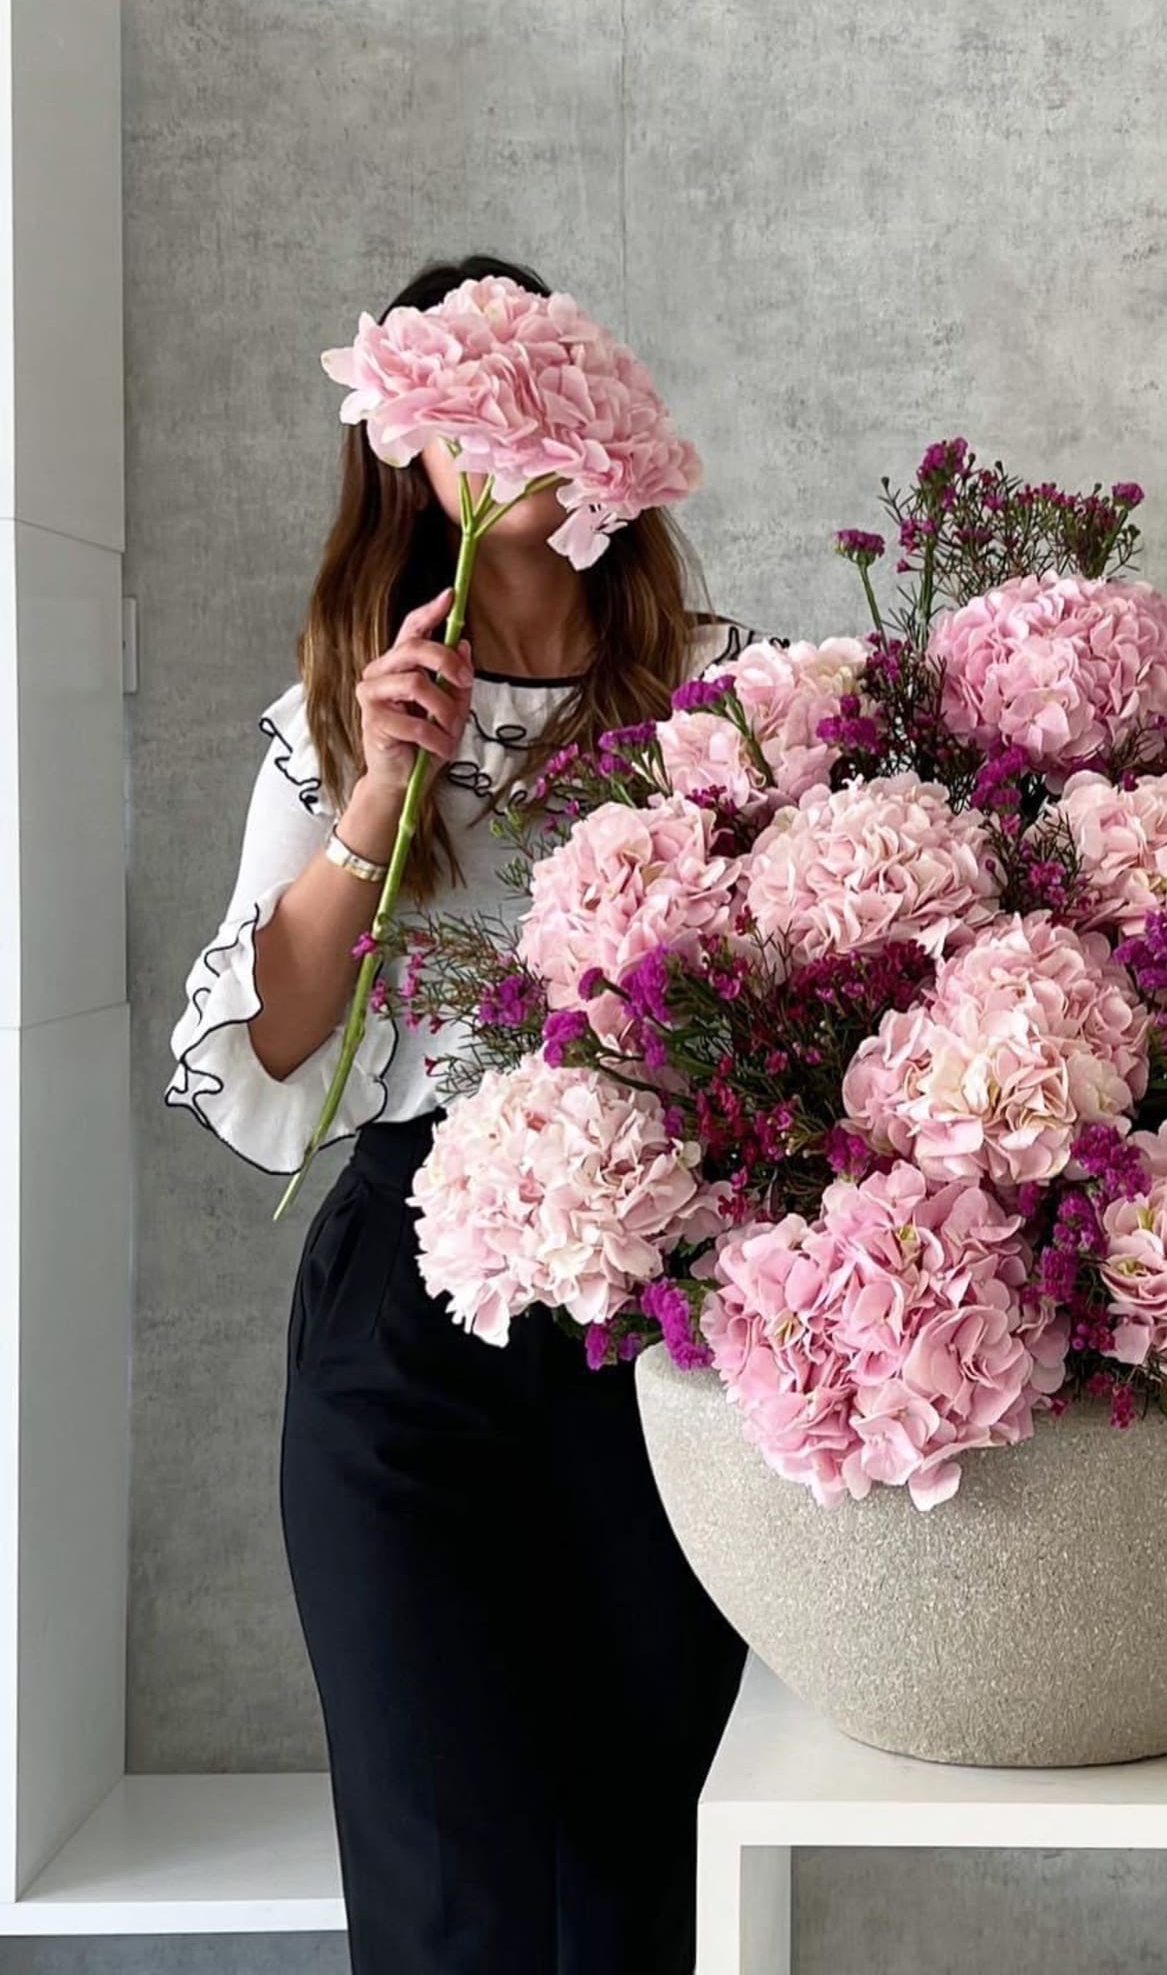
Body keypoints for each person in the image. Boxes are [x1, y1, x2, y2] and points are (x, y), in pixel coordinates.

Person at [166, 255, 751, 1975]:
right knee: (442, 1893)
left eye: (547, 381)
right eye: (469, 399)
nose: (518, 427)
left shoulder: (732, 699)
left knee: (630, 1882)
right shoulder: (341, 714)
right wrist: (370, 805)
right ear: (404, 449)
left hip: (653, 1322)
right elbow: (256, 1048)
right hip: (404, 1317)